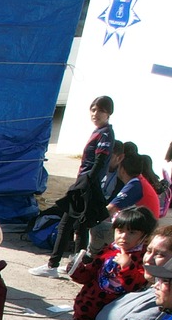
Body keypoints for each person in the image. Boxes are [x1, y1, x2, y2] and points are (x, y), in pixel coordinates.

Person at [33, 96, 117, 276]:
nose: (96, 114)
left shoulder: (105, 134)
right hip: (87, 184)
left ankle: (52, 265)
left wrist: (84, 185)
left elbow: (100, 162)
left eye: (101, 110)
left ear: (108, 113)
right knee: (81, 226)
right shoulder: (101, 131)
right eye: (93, 110)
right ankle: (76, 266)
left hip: (86, 186)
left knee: (65, 224)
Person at [68, 207, 154, 320]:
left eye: (132, 232)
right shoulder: (110, 250)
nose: (123, 236)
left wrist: (127, 266)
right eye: (119, 230)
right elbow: (90, 275)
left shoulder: (143, 257)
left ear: (145, 236)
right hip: (86, 309)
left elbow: (137, 285)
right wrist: (77, 270)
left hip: (111, 316)